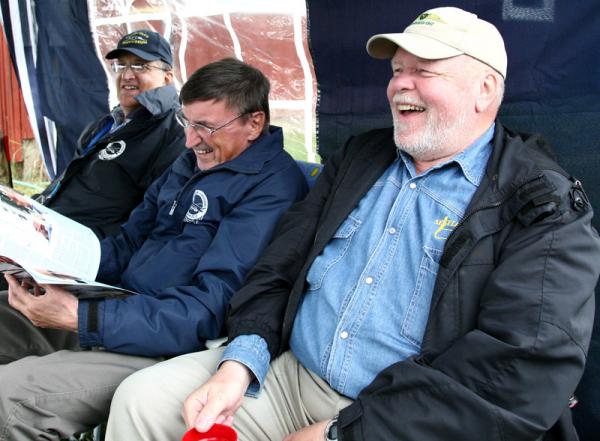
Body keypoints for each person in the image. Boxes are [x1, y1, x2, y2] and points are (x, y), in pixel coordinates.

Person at [105, 7, 600, 441]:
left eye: (423, 70)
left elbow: (521, 371)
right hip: (288, 377)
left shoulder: (540, 201)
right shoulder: (362, 157)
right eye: (397, 70)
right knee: (143, 401)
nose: (399, 83)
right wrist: (241, 361)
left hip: (405, 417)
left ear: (485, 89)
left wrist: (346, 433)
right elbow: (278, 267)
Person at [0, 58, 308, 440]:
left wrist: (83, 317)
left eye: (206, 127)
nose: (190, 139)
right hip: (119, 308)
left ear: (254, 123)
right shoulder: (191, 161)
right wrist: (49, 260)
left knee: (10, 398)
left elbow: (208, 310)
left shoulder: (272, 189)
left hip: (166, 346)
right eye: (186, 122)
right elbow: (128, 242)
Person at [35, 29, 185, 239]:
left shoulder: (174, 132)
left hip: (82, 247)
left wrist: (78, 244)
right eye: (121, 65)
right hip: (46, 227)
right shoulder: (104, 125)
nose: (127, 74)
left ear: (167, 78)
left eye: (141, 65)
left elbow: (152, 218)